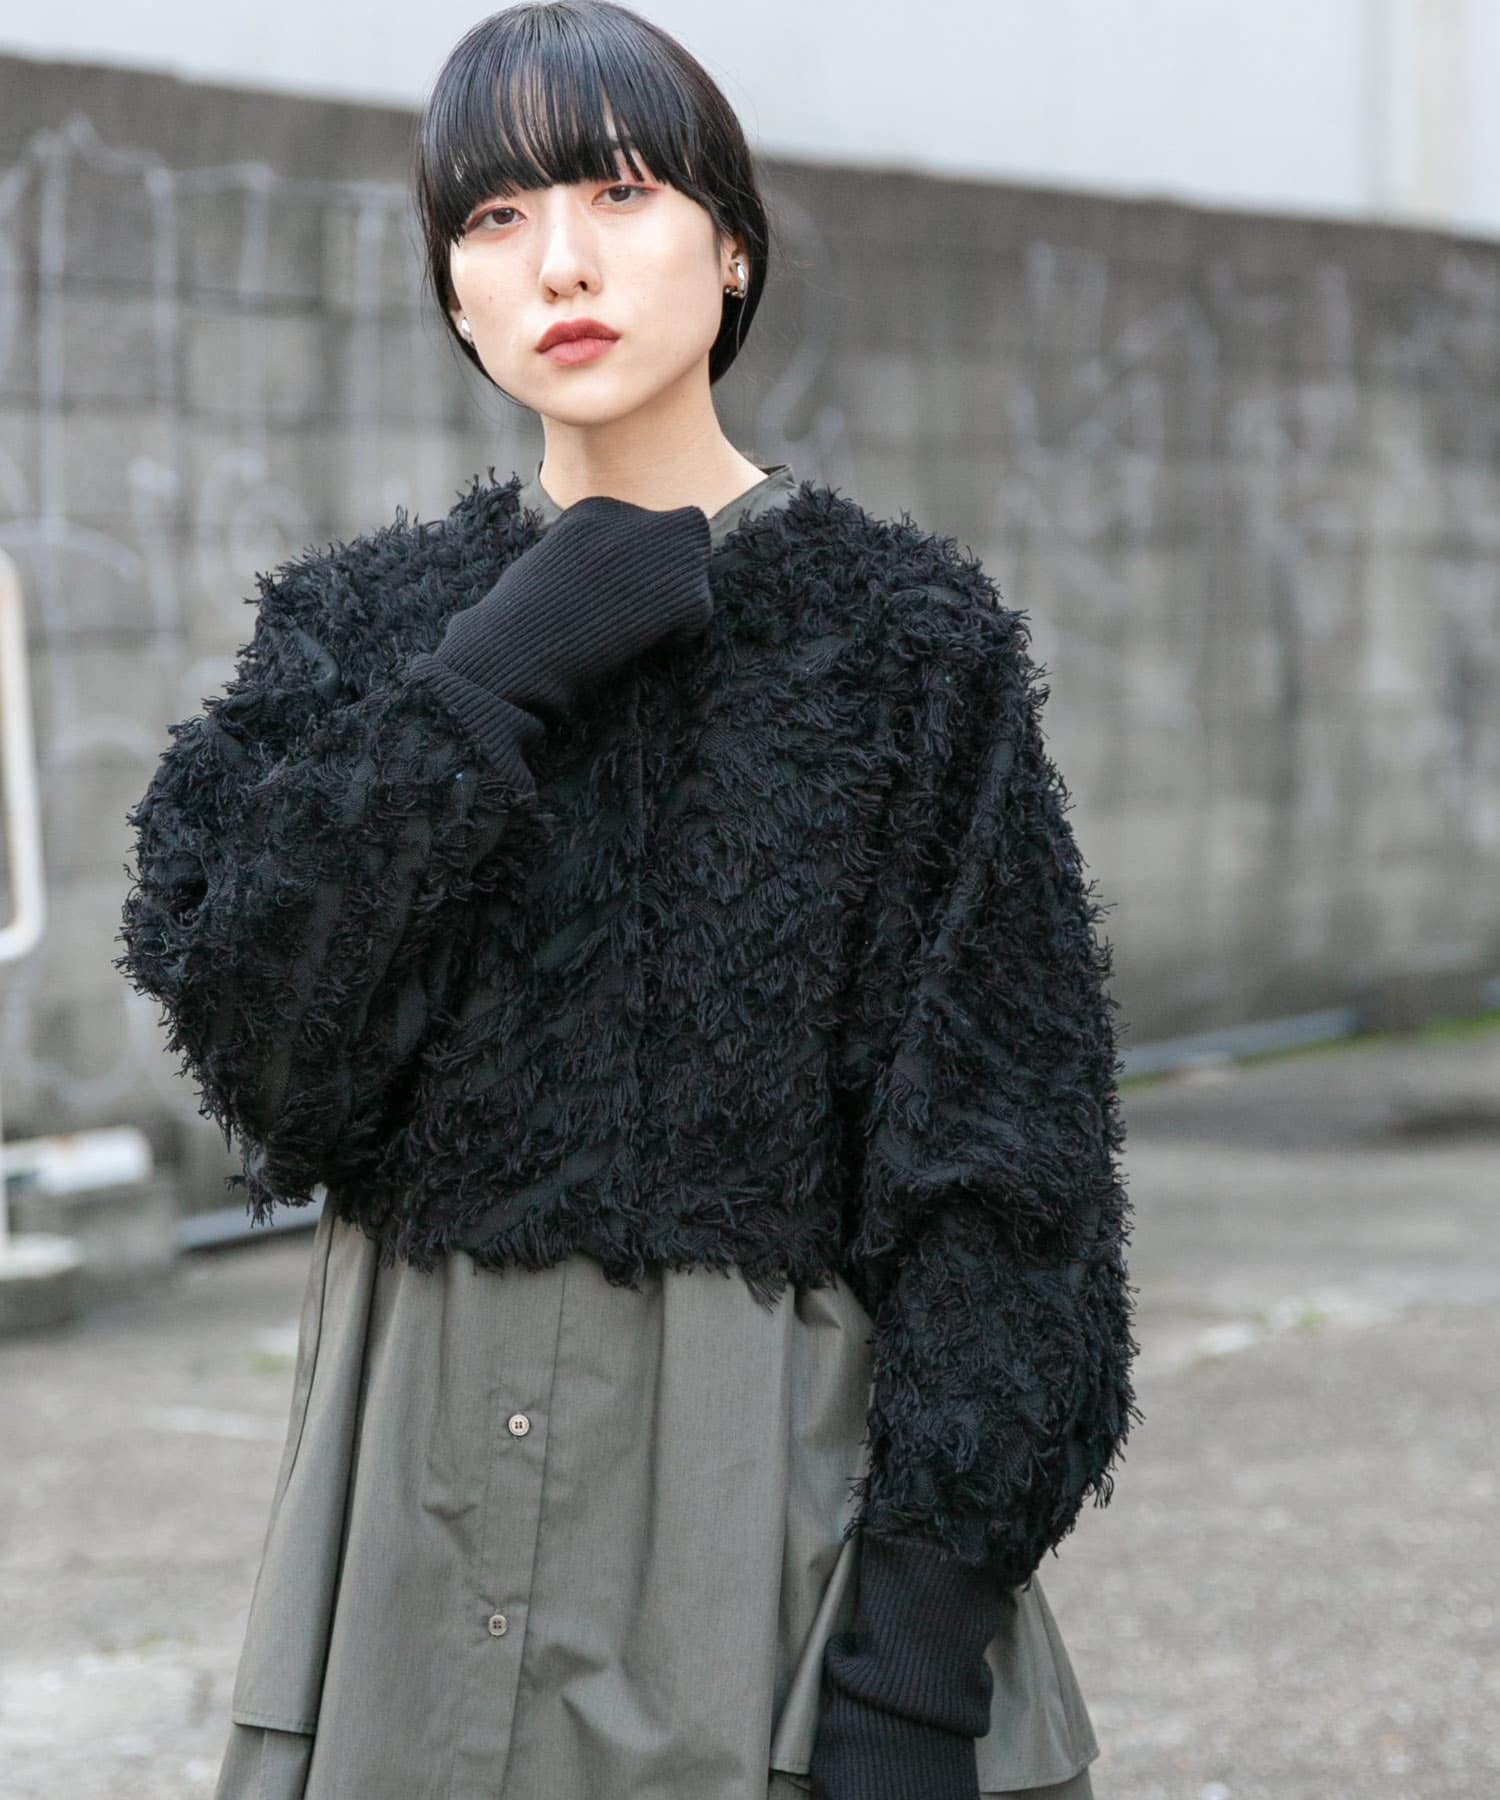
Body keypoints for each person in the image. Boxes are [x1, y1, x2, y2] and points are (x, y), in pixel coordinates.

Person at [114, 5, 1140, 1797]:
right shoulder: (366, 631)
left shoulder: (906, 647)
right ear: (452, 292)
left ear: (732, 246)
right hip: (411, 1513)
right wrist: (485, 686)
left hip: (761, 1523)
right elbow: (268, 1056)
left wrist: (915, 1661)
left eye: (620, 190)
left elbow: (1008, 1170)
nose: (562, 262)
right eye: (495, 217)